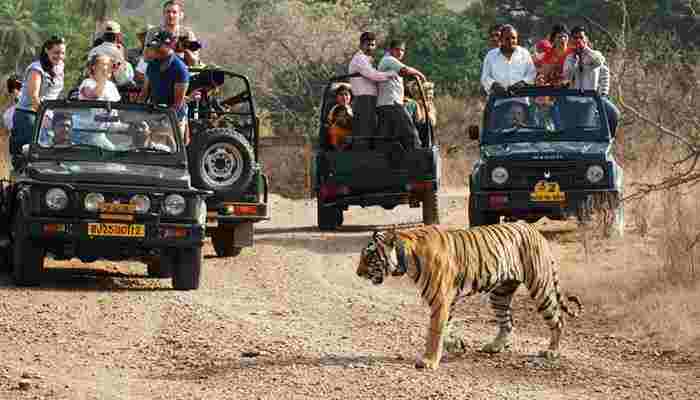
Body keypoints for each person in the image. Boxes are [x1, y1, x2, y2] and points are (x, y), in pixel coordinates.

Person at [11, 36, 66, 162]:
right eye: (56, 52)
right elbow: (34, 97)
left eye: (63, 53)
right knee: (27, 154)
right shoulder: (36, 69)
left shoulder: (60, 66)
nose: (60, 56)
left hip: (48, 115)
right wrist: (43, 117)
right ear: (47, 50)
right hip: (29, 114)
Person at [562, 26, 620, 136]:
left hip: (589, 100)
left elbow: (600, 63)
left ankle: (609, 138)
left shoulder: (594, 54)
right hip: (572, 101)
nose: (578, 40)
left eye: (581, 37)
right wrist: (575, 59)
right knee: (574, 132)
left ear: (586, 39)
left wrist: (585, 49)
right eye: (575, 38)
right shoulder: (569, 58)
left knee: (612, 115)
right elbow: (567, 75)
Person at [139, 30, 190, 145]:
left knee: (167, 152)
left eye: (159, 46)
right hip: (154, 114)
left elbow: (177, 104)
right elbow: (144, 93)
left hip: (173, 118)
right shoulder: (152, 64)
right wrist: (139, 114)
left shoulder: (180, 69)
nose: (155, 49)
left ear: (169, 47)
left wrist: (163, 120)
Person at [376, 39, 425, 149]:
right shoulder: (388, 60)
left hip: (387, 104)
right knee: (410, 131)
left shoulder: (392, 63)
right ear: (390, 50)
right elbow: (406, 70)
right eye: (397, 49)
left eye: (402, 50)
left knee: (386, 137)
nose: (400, 52)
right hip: (391, 104)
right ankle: (419, 156)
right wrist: (420, 75)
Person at [348, 32, 398, 137]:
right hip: (364, 99)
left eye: (373, 45)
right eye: (368, 44)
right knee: (365, 130)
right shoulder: (359, 59)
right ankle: (363, 152)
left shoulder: (368, 60)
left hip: (371, 99)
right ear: (361, 45)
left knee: (372, 128)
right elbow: (373, 75)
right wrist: (390, 74)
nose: (370, 48)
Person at [480, 25, 536, 96]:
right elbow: (485, 77)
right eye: (507, 38)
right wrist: (494, 85)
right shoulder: (491, 55)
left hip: (520, 98)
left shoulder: (524, 53)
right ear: (501, 40)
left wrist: (522, 83)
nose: (511, 41)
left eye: (513, 38)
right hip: (497, 99)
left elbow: (532, 73)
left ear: (517, 39)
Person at [144, 0, 200, 67]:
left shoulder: (187, 34)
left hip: (180, 73)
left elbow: (194, 63)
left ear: (180, 15)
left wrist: (185, 49)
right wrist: (164, 49)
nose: (170, 15)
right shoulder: (153, 32)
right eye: (168, 12)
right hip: (158, 73)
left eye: (174, 12)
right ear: (163, 14)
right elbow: (146, 58)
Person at [88, 21, 134, 88]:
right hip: (110, 91)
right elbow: (122, 79)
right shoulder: (118, 53)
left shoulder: (93, 51)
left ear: (102, 36)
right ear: (118, 36)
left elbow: (89, 72)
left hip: (93, 88)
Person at [326, 83, 353, 150]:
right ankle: (338, 149)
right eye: (341, 94)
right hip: (339, 134)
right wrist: (339, 120)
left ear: (350, 96)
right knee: (333, 129)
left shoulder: (352, 109)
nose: (344, 97)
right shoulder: (335, 109)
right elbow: (330, 121)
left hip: (350, 133)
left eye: (346, 94)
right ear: (337, 97)